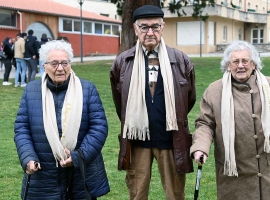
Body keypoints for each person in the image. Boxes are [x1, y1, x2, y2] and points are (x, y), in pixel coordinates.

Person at [190, 40, 270, 200]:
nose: (240, 65)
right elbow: (205, 124)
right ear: (228, 65)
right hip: (237, 174)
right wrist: (200, 147)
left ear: (254, 64)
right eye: (235, 61)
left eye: (245, 61)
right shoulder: (214, 92)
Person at [110, 5, 196, 200]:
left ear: (162, 27)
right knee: (137, 194)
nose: (150, 32)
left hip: (171, 139)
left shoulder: (181, 60)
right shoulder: (123, 62)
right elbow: (119, 103)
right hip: (138, 141)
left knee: (175, 194)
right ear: (135, 29)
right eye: (144, 27)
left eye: (155, 27)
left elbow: (189, 99)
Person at [14, 40, 110, 199]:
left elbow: (99, 127)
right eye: (54, 63)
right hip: (43, 175)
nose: (60, 68)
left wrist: (79, 156)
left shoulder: (87, 89)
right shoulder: (31, 90)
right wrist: (28, 157)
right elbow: (22, 128)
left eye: (64, 63)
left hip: (80, 175)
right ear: (44, 65)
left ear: (70, 64)